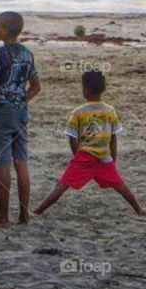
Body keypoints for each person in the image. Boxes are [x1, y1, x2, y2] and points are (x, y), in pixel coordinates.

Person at [35, 69, 142, 216]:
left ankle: (38, 210)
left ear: (84, 89)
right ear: (103, 88)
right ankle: (139, 209)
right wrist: (113, 160)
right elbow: (113, 138)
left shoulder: (78, 112)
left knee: (61, 186)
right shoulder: (110, 111)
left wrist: (77, 154)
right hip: (104, 158)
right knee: (120, 185)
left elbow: (72, 137)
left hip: (84, 157)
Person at [0, 11, 41, 227]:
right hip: (21, 111)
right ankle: (24, 215)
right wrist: (22, 99)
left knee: (3, 163)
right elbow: (36, 86)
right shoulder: (28, 54)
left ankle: (3, 217)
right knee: (21, 162)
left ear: (5, 31)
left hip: (3, 111)